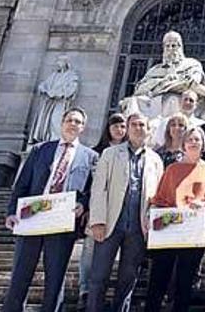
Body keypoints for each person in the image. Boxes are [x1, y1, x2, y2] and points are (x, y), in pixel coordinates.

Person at [2, 108, 98, 312]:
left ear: (83, 127)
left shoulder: (90, 156)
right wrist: (12, 211)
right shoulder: (40, 150)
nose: (73, 124)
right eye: (70, 120)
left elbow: (93, 190)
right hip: (32, 219)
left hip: (63, 223)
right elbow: (21, 184)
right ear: (62, 123)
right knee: (20, 276)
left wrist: (85, 204)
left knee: (55, 280)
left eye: (78, 122)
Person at [87, 113, 164, 312]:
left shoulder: (156, 160)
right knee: (98, 276)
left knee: (128, 279)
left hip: (138, 227)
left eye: (142, 125)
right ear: (128, 129)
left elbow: (158, 196)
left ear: (149, 130)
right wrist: (97, 220)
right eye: (134, 125)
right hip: (110, 223)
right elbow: (98, 188)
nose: (138, 128)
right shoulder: (110, 154)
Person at [145, 127, 205, 312]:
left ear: (203, 144)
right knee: (159, 278)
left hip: (193, 232)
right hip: (170, 230)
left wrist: (204, 204)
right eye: (190, 139)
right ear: (184, 144)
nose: (194, 142)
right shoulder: (172, 169)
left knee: (185, 281)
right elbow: (160, 198)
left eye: (197, 139)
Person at [79, 113, 127, 306]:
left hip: (120, 210)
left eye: (122, 126)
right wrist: (88, 206)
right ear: (107, 128)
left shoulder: (130, 153)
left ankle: (103, 290)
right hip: (96, 209)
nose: (118, 129)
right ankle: (85, 289)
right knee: (90, 250)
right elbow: (89, 184)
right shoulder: (96, 153)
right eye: (114, 125)